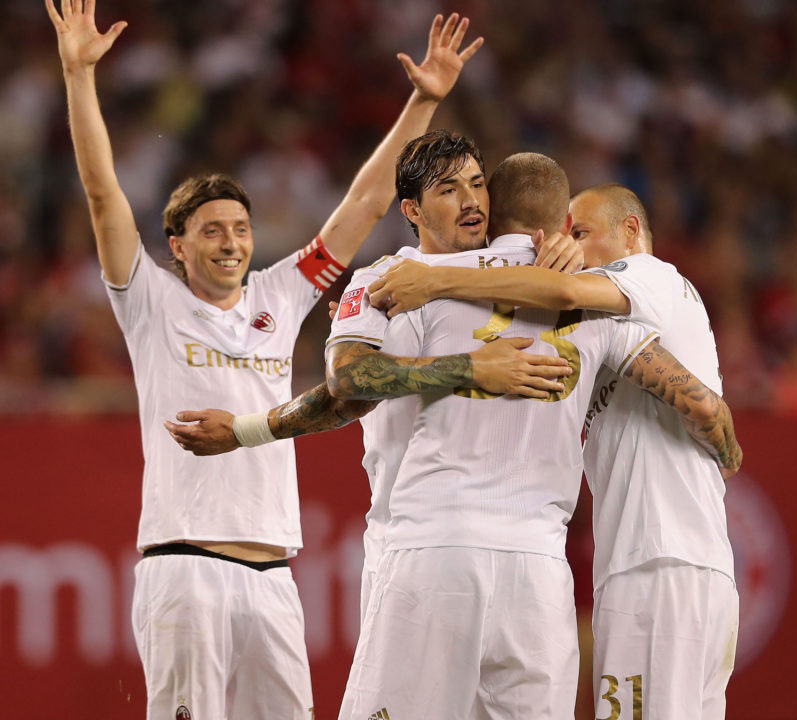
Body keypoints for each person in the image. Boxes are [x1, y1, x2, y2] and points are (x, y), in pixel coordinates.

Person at [45, 1, 487, 717]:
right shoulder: (149, 300)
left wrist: (422, 102)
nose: (230, 241)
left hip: (274, 575)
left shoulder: (279, 297)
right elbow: (102, 195)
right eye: (210, 230)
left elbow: (364, 203)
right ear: (177, 247)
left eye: (241, 228)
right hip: (184, 567)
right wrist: (77, 75)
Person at [324, 153, 739, 719]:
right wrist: (724, 443)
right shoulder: (599, 311)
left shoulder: (403, 282)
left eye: (476, 185)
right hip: (542, 572)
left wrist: (252, 431)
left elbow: (344, 386)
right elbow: (699, 401)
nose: (579, 247)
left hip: (431, 545)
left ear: (492, 209)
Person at [166, 132, 574, 624]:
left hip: (483, 546)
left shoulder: (557, 272)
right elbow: (349, 383)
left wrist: (570, 252)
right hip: (461, 548)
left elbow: (347, 387)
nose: (470, 201)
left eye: (477, 184)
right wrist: (473, 365)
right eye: (448, 189)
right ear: (412, 211)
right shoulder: (386, 282)